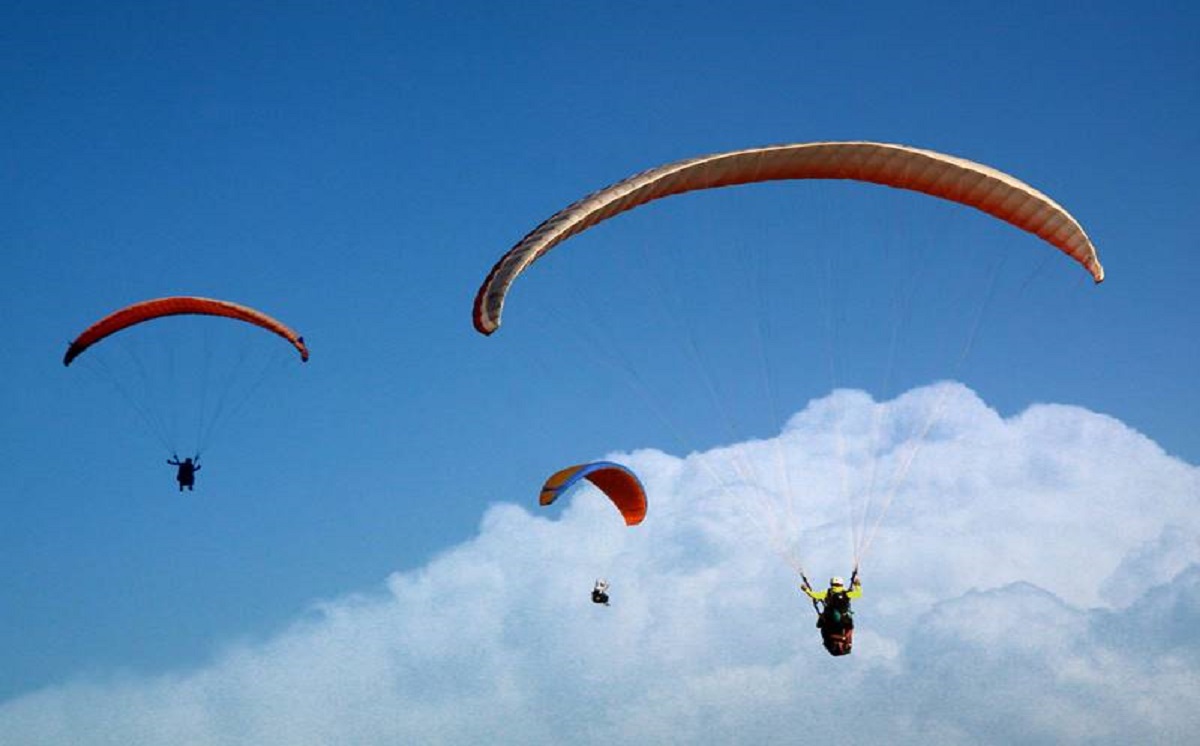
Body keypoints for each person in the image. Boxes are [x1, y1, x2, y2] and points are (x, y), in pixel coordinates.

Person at [802, 573, 862, 655]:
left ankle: (844, 638)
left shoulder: (827, 593)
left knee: (821, 625)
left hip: (830, 620)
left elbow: (814, 595)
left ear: (831, 584)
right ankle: (846, 639)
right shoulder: (847, 593)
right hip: (845, 620)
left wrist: (806, 590)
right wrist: (857, 585)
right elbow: (858, 594)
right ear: (841, 584)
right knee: (849, 626)